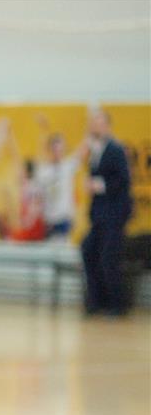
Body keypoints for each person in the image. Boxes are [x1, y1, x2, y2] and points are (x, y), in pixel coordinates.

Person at [81, 109, 133, 317]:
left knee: (109, 258)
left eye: (99, 123)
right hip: (99, 215)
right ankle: (95, 302)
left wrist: (99, 185)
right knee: (88, 250)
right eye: (93, 123)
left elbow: (123, 180)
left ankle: (117, 304)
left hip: (114, 215)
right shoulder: (96, 151)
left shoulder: (116, 149)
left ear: (107, 126)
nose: (95, 126)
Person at [33, 114, 88, 241]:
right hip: (48, 220)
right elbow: (39, 156)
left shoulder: (67, 166)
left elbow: (82, 150)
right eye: (55, 149)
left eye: (61, 149)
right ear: (50, 150)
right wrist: (43, 130)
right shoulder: (44, 170)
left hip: (64, 219)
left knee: (62, 245)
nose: (58, 152)